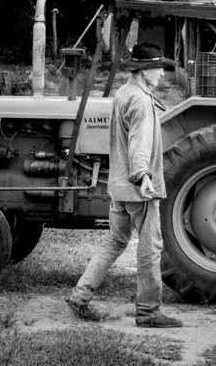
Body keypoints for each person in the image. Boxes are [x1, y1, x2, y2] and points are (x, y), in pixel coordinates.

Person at [66, 42, 183, 328]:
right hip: (137, 187)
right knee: (150, 247)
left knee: (115, 240)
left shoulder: (124, 93)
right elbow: (138, 145)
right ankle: (148, 312)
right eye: (158, 68)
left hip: (118, 185)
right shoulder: (141, 101)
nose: (161, 74)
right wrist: (143, 177)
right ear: (144, 70)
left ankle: (79, 296)